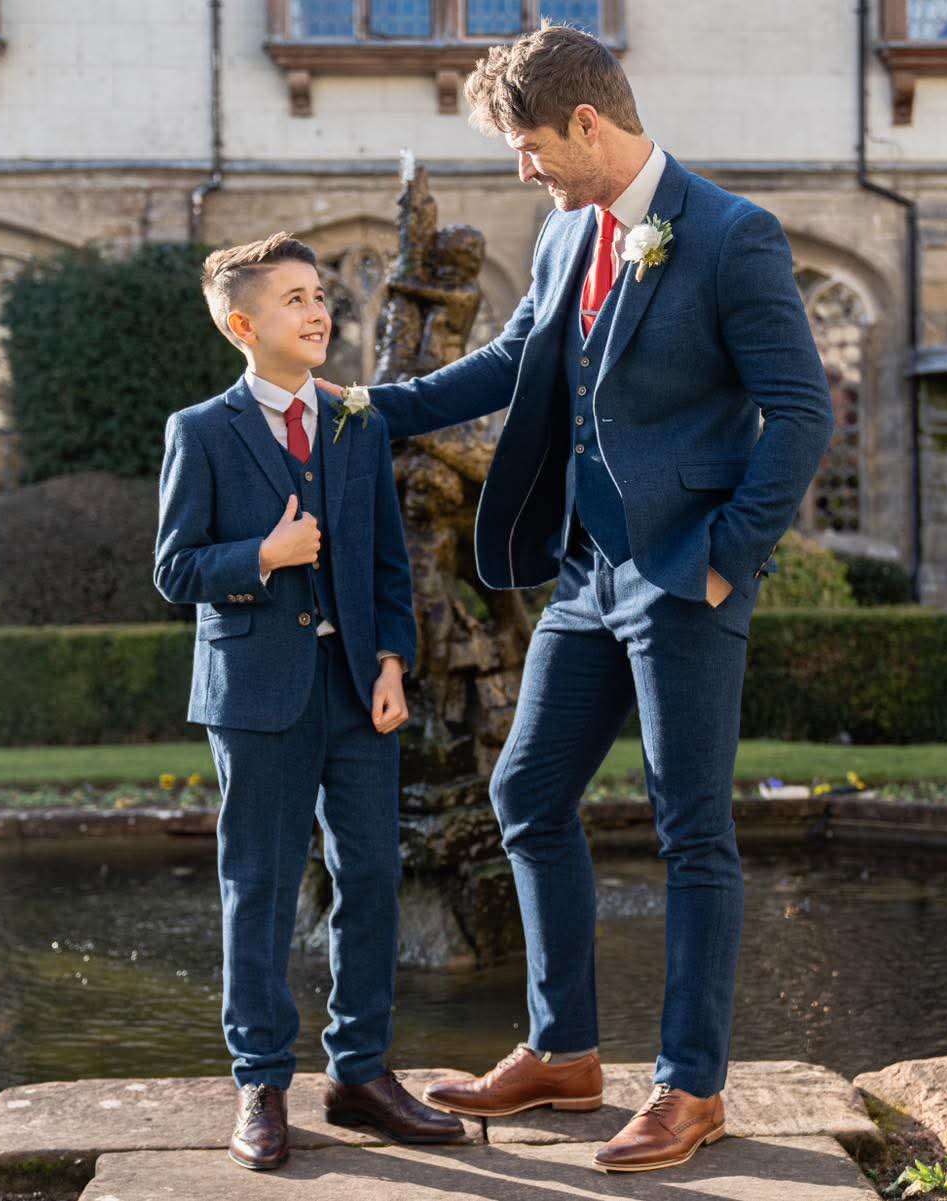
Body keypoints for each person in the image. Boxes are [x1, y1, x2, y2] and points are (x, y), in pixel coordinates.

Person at [318, 26, 834, 1174]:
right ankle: (566, 1053)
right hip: (587, 574)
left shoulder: (732, 236)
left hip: (685, 573)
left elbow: (802, 411)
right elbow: (507, 363)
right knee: (526, 791)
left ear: (589, 126)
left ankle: (691, 1086)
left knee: (691, 826)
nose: (524, 169)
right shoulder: (562, 235)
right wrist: (365, 405)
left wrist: (726, 556)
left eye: (530, 146)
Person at [154, 232, 463, 1171]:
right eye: (294, 298)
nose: (319, 308)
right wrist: (261, 558)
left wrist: (393, 663)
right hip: (256, 695)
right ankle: (261, 1080)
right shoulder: (201, 430)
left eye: (320, 292)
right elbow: (174, 569)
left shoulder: (354, 423)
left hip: (353, 689)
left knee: (371, 874)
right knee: (261, 883)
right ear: (245, 325)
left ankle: (360, 1073)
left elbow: (383, 560)